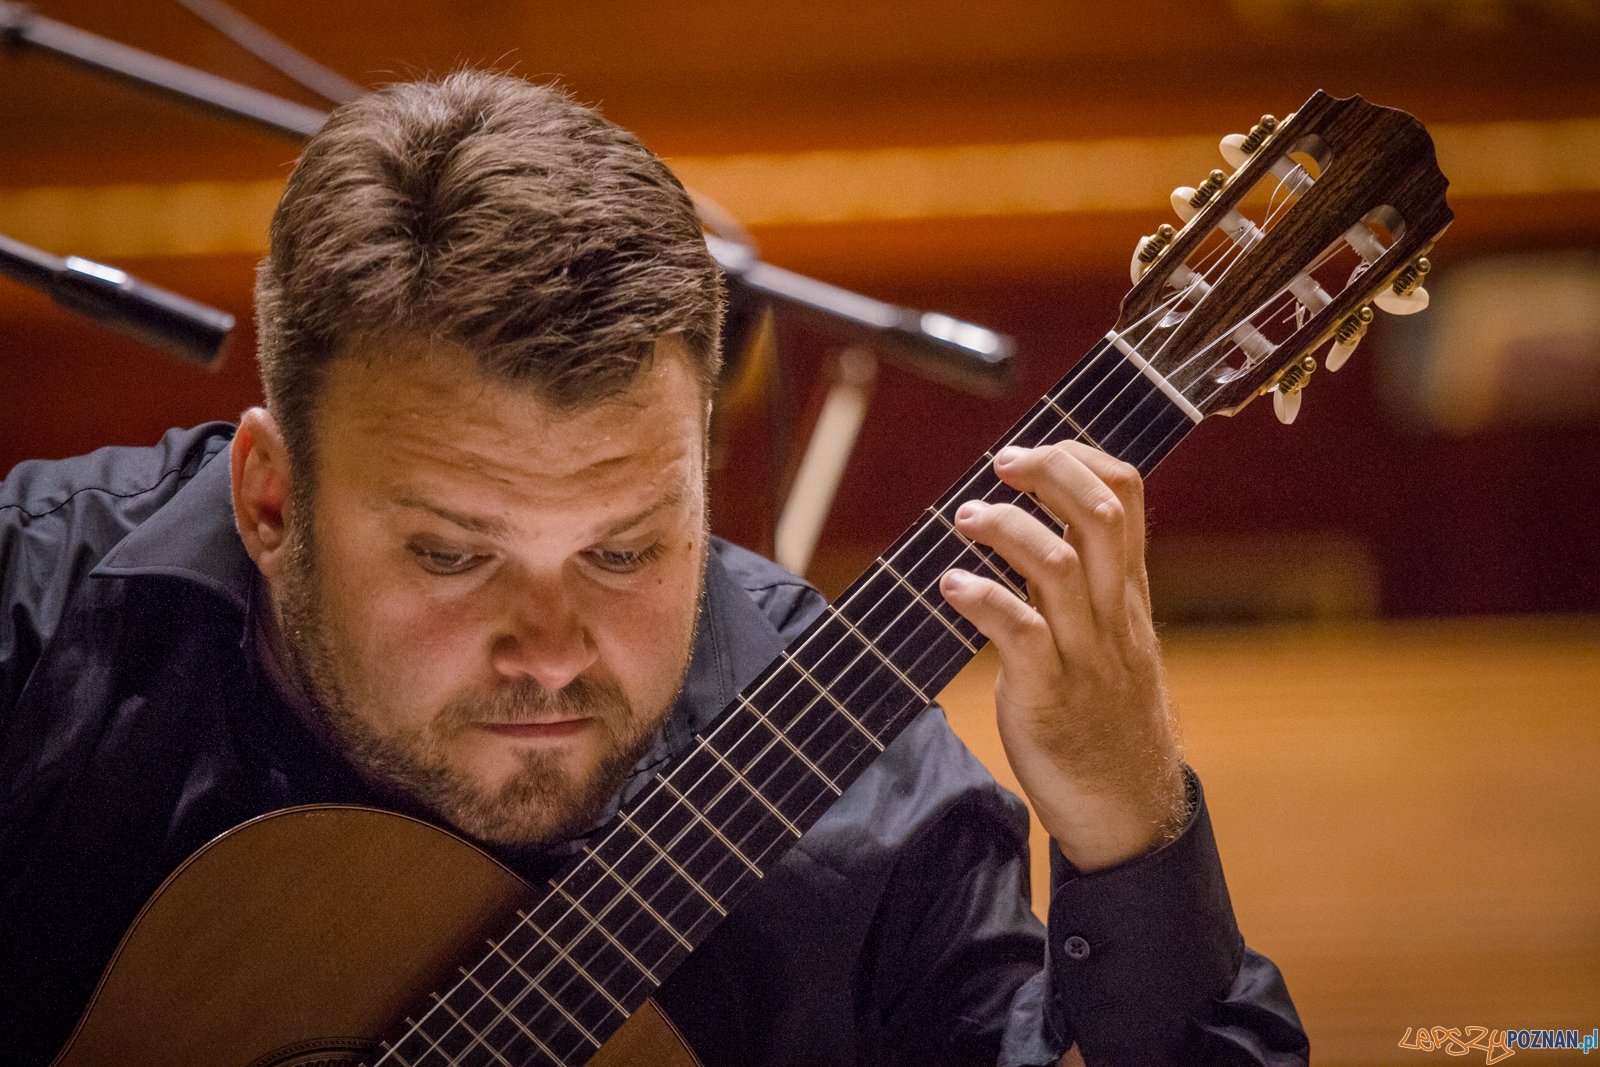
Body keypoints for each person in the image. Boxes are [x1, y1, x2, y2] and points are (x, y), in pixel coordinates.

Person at [0, 71, 1307, 1066]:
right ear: (272, 503)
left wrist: (1133, 825)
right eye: (454, 554)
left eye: (628, 547)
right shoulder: (33, 615)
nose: (555, 647)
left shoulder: (867, 819)